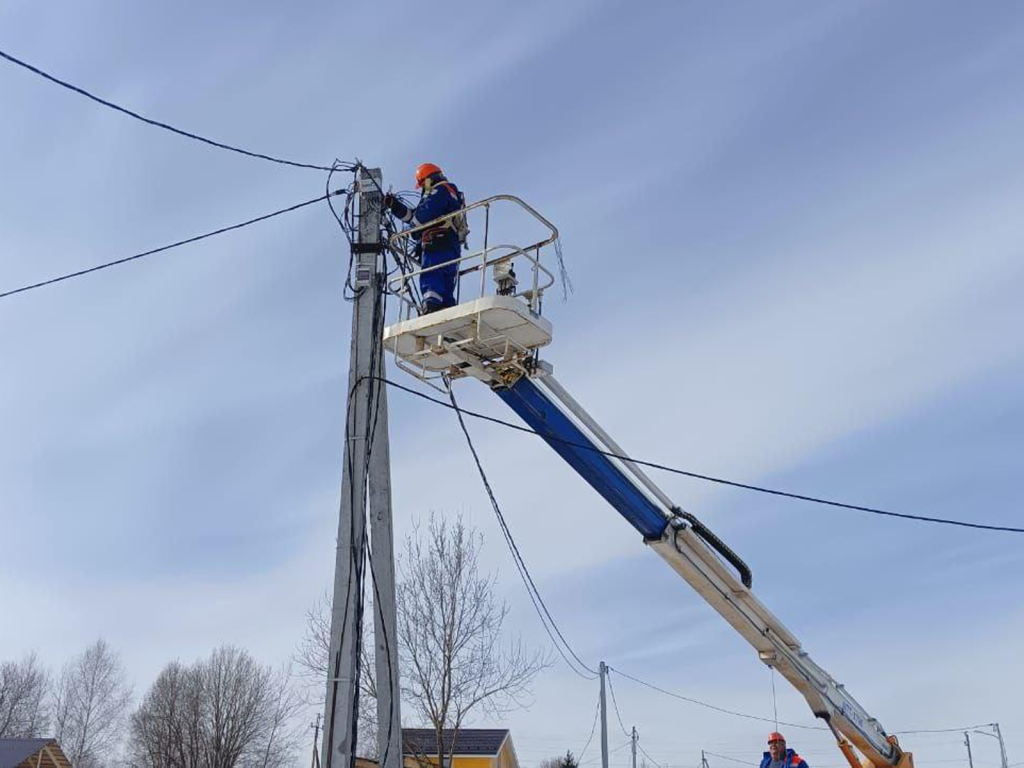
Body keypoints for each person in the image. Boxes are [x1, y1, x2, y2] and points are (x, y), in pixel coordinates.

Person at [384, 163, 466, 314]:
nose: (423, 189)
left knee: (432, 275)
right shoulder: (451, 192)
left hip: (437, 243)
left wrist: (414, 232)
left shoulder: (438, 191)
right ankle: (447, 311)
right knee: (446, 282)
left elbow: (420, 219)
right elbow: (414, 216)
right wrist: (395, 206)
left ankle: (431, 306)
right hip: (450, 245)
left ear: (429, 180)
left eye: (423, 185)